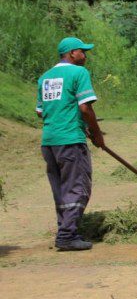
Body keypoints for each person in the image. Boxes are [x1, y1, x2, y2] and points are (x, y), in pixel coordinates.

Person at [36, 37, 105, 251]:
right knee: (78, 187)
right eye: (83, 52)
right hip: (70, 140)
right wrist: (96, 134)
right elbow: (86, 108)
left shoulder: (45, 78)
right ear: (72, 53)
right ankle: (67, 235)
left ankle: (65, 229)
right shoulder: (79, 73)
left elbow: (41, 111)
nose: (85, 56)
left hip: (49, 142)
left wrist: (72, 121)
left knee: (61, 188)